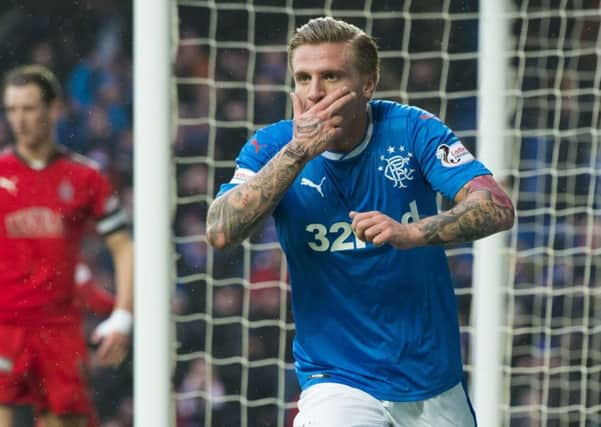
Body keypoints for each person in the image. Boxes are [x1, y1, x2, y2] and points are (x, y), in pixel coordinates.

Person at [206, 17, 515, 426]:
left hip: (430, 376)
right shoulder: (272, 146)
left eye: (331, 76)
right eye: (303, 78)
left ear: (368, 85)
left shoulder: (412, 129)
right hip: (336, 379)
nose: (314, 92)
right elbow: (220, 230)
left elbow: (496, 205)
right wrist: (298, 153)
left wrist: (412, 232)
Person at [0, 65, 134, 427]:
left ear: (54, 109)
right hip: (4, 325)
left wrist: (122, 315)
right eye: (12, 109)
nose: (19, 120)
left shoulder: (85, 177)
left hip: (58, 328)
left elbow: (123, 247)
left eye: (28, 108)